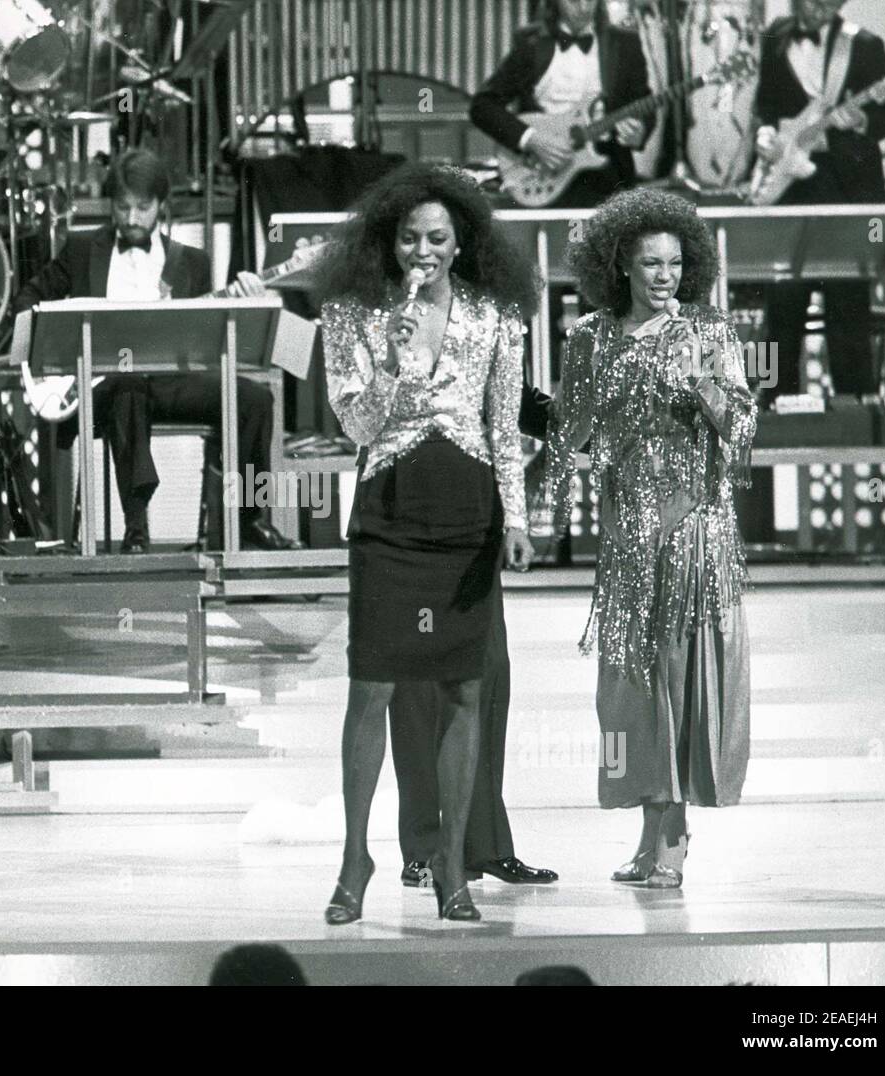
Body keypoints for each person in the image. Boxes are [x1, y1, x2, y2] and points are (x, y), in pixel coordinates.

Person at [316, 163, 539, 923]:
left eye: (437, 238)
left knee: (463, 690)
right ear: (391, 240)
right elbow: (355, 424)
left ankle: (452, 869)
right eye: (410, 237)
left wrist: (518, 519)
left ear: (460, 241)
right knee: (372, 685)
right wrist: (388, 360)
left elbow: (504, 426)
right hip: (390, 508)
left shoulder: (496, 316)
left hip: (466, 510)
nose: (423, 251)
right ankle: (354, 860)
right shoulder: (353, 313)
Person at [547, 189, 755, 889]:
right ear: (621, 266)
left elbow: (743, 432)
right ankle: (651, 831)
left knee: (676, 674)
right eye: (649, 263)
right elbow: (567, 432)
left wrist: (701, 379)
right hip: (627, 533)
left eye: (674, 263)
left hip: (694, 528)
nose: (664, 275)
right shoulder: (590, 337)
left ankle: (671, 841)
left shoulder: (711, 334)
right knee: (631, 690)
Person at [13, 148, 302, 552]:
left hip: (170, 383)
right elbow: (29, 299)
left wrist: (243, 300)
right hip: (101, 390)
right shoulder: (81, 250)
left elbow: (205, 338)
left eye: (142, 208)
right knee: (127, 386)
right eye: (122, 207)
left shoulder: (191, 262)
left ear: (162, 207)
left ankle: (249, 519)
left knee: (254, 398)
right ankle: (137, 531)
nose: (131, 219)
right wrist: (46, 352)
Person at [389, 382, 560, 890]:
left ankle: (482, 846)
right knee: (418, 691)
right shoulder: (388, 319)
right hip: (404, 514)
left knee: (485, 680)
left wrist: (594, 413)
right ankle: (423, 850)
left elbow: (522, 407)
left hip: (476, 520)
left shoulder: (490, 319)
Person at [752, 0, 885, 408]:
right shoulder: (775, 34)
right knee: (778, 306)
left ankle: (857, 407)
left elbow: (883, 122)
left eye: (826, 4)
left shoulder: (865, 46)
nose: (816, 11)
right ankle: (767, 403)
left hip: (846, 190)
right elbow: (766, 103)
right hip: (788, 190)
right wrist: (764, 133)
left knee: (848, 303)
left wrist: (861, 122)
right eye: (810, 2)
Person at [469, 0, 653, 209]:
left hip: (608, 174)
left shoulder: (624, 42)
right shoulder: (530, 44)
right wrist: (531, 139)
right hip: (544, 171)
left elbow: (643, 102)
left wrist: (640, 131)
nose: (584, 8)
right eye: (574, 1)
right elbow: (482, 106)